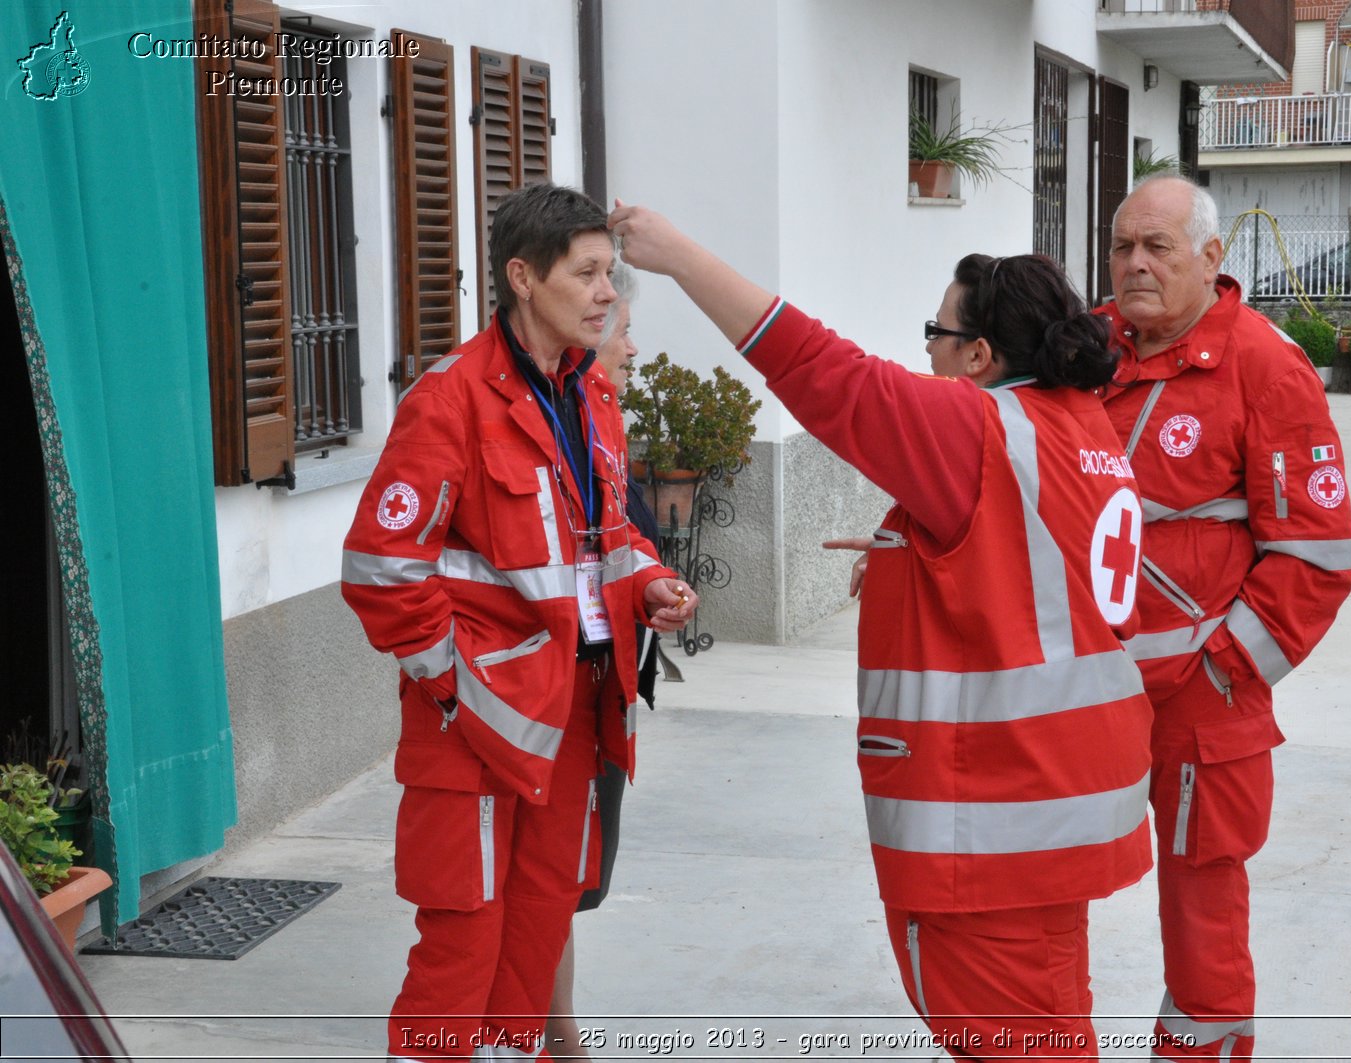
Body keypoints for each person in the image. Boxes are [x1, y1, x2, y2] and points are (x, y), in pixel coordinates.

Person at [610, 201, 1154, 1060]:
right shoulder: (1079, 424)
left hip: (997, 819)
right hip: (1053, 805)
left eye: (936, 332)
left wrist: (679, 256)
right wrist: (911, 555)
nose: (924, 351)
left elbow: (828, 374)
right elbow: (1030, 572)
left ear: (980, 354)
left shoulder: (976, 425)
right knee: (1052, 1021)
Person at [341, 184, 697, 1063]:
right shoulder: (450, 399)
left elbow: (603, 539)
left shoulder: (592, 396)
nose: (608, 293)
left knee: (535, 943)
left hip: (574, 713)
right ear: (522, 278)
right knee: (461, 953)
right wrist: (455, 688)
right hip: (476, 728)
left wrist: (652, 582)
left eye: (609, 272)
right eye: (587, 273)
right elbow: (381, 570)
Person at [1095, 175, 1351, 1061]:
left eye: (1156, 247)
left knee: (1203, 909)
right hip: (1080, 685)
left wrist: (1221, 670)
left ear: (1211, 257)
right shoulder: (1088, 346)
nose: (1134, 264)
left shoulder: (1263, 365)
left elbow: (1317, 558)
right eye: (1123, 244)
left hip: (1204, 703)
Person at [545, 263, 661, 1060]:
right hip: (547, 692)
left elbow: (619, 536)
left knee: (572, 880)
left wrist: (656, 582)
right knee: (551, 880)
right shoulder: (558, 413)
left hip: (600, 684)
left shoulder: (603, 414)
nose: (628, 341)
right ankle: (557, 1038)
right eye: (621, 326)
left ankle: (558, 1030)